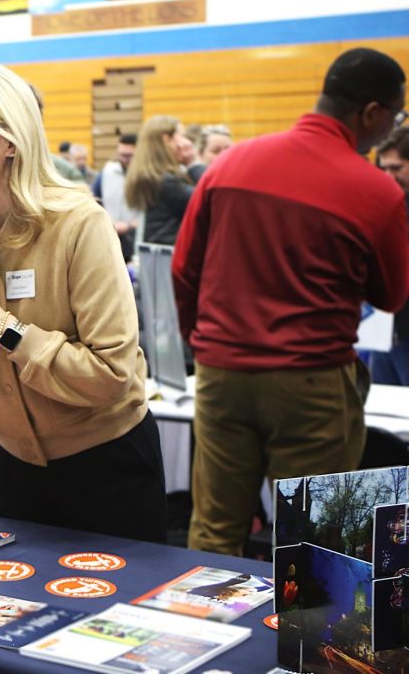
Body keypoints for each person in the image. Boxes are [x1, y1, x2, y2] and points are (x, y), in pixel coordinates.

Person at [0, 62, 166, 543]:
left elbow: (112, 376)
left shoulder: (78, 223)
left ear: (10, 137)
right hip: (8, 465)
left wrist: (2, 327)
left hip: (106, 467)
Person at [173, 47, 409, 556]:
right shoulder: (375, 190)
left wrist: (207, 343)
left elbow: (182, 269)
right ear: (371, 113)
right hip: (312, 384)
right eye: (394, 116)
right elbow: (392, 295)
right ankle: (308, 639)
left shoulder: (231, 162)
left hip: (221, 375)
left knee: (213, 532)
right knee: (314, 542)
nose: (391, 128)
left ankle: (200, 632)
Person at [370, 126, 409, 385]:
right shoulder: (385, 205)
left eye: (396, 168)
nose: (388, 176)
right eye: (383, 169)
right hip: (384, 334)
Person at [125, 115, 195, 244]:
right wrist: (193, 163)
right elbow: (206, 199)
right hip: (168, 254)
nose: (187, 142)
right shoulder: (167, 182)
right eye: (183, 136)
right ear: (167, 139)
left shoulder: (150, 176)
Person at [91, 133, 141, 260]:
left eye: (129, 156)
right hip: (111, 233)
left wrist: (131, 225)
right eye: (121, 155)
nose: (124, 159)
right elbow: (93, 199)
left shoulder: (146, 175)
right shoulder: (107, 171)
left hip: (135, 234)